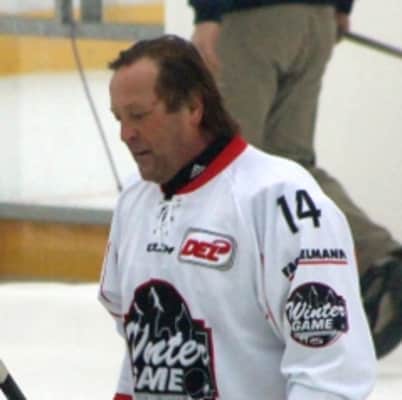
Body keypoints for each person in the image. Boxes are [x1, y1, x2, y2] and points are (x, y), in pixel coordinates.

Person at [98, 35, 376, 400]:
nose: (125, 134)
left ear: (193, 107)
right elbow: (141, 352)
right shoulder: (134, 201)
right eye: (118, 119)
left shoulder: (281, 199)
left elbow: (330, 373)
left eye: (139, 115)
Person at [189, 0, 402, 358]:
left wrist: (207, 14)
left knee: (226, 163)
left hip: (249, 17)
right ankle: (377, 254)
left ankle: (221, 313)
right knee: (292, 163)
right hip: (316, 18)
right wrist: (341, 7)